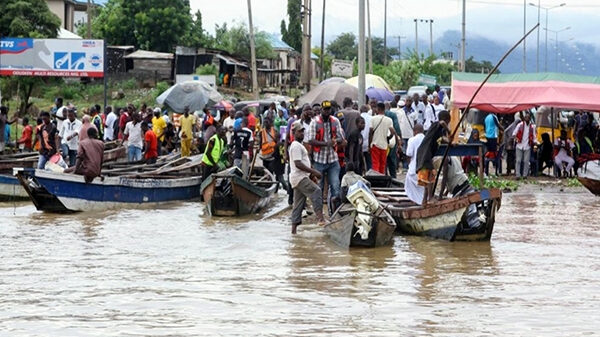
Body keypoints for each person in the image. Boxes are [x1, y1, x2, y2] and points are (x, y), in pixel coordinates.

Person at [289, 121, 325, 234]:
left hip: (298, 178)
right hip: (299, 177)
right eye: (299, 132)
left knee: (298, 205)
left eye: (302, 131)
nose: (302, 134)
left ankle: (293, 231)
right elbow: (298, 164)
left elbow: (305, 162)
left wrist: (311, 174)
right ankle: (320, 219)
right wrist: (313, 171)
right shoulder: (295, 146)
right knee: (316, 191)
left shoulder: (299, 145)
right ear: (294, 132)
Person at [307, 100, 345, 206]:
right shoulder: (315, 122)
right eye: (325, 110)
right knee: (319, 187)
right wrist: (325, 143)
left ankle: (335, 210)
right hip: (319, 160)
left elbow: (341, 138)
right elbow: (311, 140)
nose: (327, 112)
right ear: (321, 110)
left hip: (333, 159)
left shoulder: (335, 121)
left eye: (328, 109)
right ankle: (319, 212)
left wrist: (335, 141)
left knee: (335, 185)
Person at [416, 110, 452, 202]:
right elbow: (442, 123)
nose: (447, 124)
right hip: (425, 154)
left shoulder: (438, 131)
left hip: (426, 155)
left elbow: (443, 138)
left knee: (429, 177)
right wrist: (449, 131)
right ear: (445, 119)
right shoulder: (435, 125)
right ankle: (430, 198)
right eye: (448, 122)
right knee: (428, 178)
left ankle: (425, 200)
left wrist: (450, 142)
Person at [369, 102, 398, 174]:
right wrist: (388, 138)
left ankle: (376, 178)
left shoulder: (373, 119)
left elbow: (370, 133)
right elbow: (393, 132)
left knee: (375, 163)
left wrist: (369, 144)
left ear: (378, 109)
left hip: (375, 144)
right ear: (384, 109)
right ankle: (382, 179)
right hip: (384, 145)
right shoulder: (389, 120)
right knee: (383, 164)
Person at [405, 124, 426, 205]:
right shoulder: (426, 139)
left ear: (415, 131)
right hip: (425, 169)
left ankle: (414, 201)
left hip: (414, 169)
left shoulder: (412, 140)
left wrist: (409, 164)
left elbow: (409, 154)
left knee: (409, 184)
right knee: (423, 188)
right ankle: (423, 201)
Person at [512, 112, 536, 179]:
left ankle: (525, 175)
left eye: (528, 117)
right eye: (526, 117)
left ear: (530, 118)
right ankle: (518, 175)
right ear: (524, 118)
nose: (527, 119)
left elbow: (534, 137)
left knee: (526, 161)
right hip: (519, 145)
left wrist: (535, 144)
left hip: (527, 146)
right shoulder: (520, 125)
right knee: (518, 161)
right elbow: (514, 133)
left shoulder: (532, 127)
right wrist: (516, 138)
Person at [385, 101, 402, 178]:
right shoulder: (392, 115)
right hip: (391, 140)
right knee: (392, 159)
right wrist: (399, 138)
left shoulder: (377, 114)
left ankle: (384, 176)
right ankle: (393, 177)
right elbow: (397, 128)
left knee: (383, 161)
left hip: (382, 140)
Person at [360, 104, 372, 171]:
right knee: (369, 162)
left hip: (360, 144)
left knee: (360, 163)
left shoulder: (359, 117)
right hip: (368, 143)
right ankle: (370, 177)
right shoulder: (371, 118)